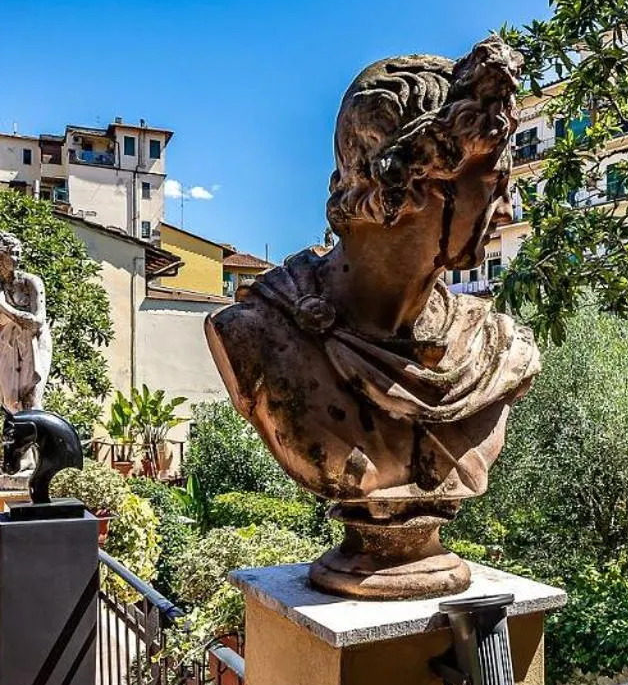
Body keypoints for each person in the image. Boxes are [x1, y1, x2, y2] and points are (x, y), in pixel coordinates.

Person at [206, 38, 540, 597]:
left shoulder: (496, 349)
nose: (504, 210)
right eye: (494, 184)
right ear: (414, 184)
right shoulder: (257, 338)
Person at [0, 231, 52, 415]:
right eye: (13, 253)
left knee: (31, 401)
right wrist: (9, 317)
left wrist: (3, 306)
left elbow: (37, 321)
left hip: (33, 342)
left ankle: (35, 433)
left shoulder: (31, 282)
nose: (18, 258)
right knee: (11, 403)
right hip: (8, 343)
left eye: (19, 253)